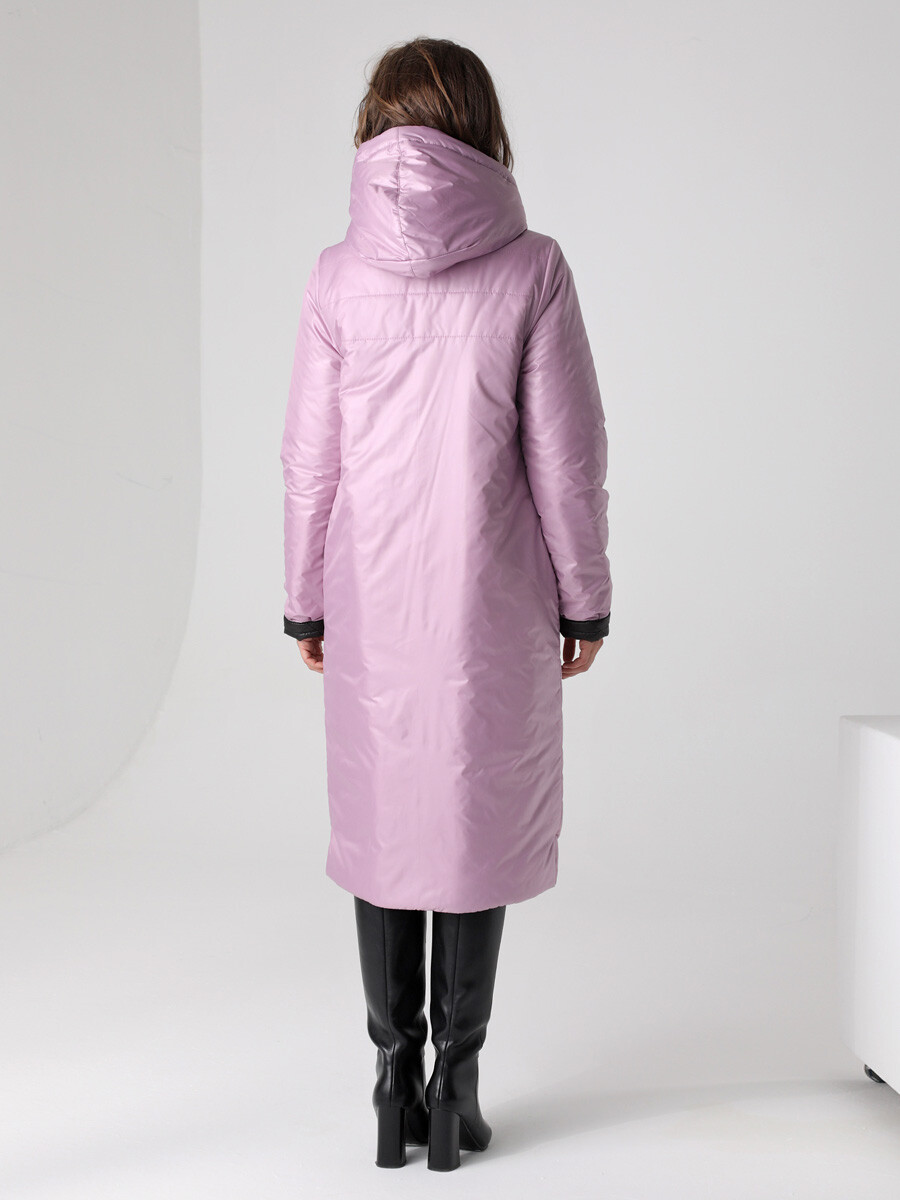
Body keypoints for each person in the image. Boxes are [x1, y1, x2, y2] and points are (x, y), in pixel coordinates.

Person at [280, 37, 612, 1171]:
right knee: (470, 822)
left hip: (369, 601)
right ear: (480, 123)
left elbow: (310, 461)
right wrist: (584, 600)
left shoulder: (336, 274)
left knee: (387, 824)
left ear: (374, 127)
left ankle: (391, 1079)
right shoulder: (534, 267)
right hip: (490, 603)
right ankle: (454, 1085)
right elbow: (568, 458)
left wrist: (305, 602)